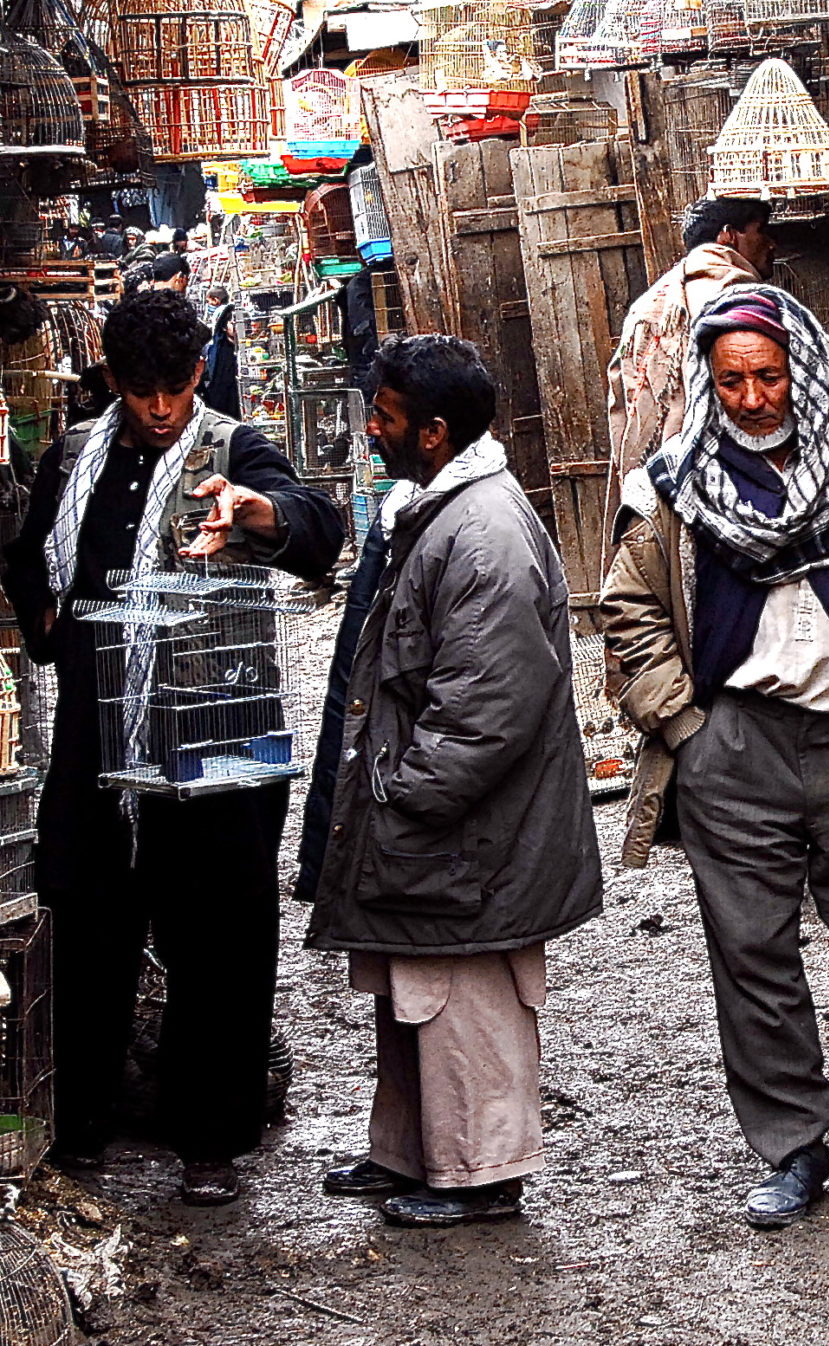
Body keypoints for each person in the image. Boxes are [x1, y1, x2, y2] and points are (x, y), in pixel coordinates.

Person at [600, 287, 829, 1229]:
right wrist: (683, 728)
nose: (754, 397)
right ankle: (793, 1145)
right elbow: (628, 611)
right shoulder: (674, 488)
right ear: (706, 383)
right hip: (736, 751)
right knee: (752, 956)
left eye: (768, 376)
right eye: (731, 382)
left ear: (800, 368)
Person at [3, 291, 344, 1207]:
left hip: (212, 746)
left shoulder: (231, 451)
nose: (161, 408)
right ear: (112, 380)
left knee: (218, 939)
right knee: (87, 927)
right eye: (143, 390)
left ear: (200, 372)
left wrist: (255, 517)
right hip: (96, 740)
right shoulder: (75, 457)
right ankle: (80, 1124)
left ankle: (211, 1138)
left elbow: (318, 529)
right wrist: (52, 618)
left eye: (176, 386)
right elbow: (35, 565)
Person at [304, 334, 603, 1228]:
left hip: (467, 828)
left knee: (463, 996)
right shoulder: (439, 508)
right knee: (413, 987)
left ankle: (479, 1173)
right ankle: (412, 1153)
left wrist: (406, 798)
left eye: (385, 418)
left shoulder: (481, 533)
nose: (371, 433)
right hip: (439, 816)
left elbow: (485, 710)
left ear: (432, 433)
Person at [201, 286, 240, 419]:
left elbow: (233, 332)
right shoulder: (222, 313)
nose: (208, 305)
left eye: (209, 301)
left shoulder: (225, 313)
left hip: (224, 365)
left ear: (216, 300)